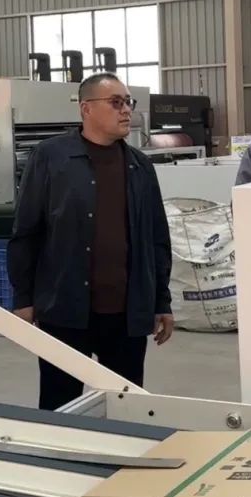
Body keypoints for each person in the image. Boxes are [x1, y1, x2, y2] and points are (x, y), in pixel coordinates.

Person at [9, 72, 174, 411]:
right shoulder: (51, 157)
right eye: (116, 102)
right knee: (60, 405)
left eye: (128, 102)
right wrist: (24, 298)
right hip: (65, 310)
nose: (126, 110)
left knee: (127, 406)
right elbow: (26, 230)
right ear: (86, 108)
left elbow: (157, 238)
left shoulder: (140, 166)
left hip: (127, 313)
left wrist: (162, 301)